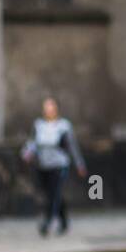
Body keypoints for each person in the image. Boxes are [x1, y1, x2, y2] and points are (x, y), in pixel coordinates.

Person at [21, 97, 87, 236]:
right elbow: (32, 143)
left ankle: (48, 221)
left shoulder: (63, 126)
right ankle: (64, 221)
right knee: (51, 193)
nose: (48, 111)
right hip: (43, 165)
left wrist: (79, 163)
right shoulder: (39, 125)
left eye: (51, 108)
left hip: (59, 164)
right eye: (46, 108)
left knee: (54, 192)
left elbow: (72, 146)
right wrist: (26, 153)